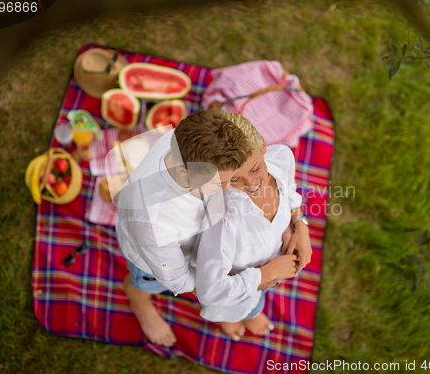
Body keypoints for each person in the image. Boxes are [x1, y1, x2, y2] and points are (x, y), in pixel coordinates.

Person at [115, 110, 299, 346]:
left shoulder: (194, 143)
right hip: (157, 260)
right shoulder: (151, 222)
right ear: (185, 172)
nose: (231, 189)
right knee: (146, 283)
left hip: (205, 252)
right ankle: (139, 303)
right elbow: (181, 280)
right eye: (223, 183)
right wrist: (232, 289)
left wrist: (289, 224)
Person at [195, 115, 312, 341]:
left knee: (258, 297)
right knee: (240, 305)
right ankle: (231, 317)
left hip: (272, 261)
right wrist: (267, 273)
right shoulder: (224, 219)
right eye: (235, 179)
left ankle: (251, 311)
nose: (251, 184)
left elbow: (289, 190)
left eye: (255, 168)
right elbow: (211, 290)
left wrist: (299, 225)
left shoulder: (281, 157)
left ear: (262, 144)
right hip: (241, 279)